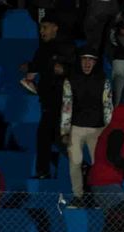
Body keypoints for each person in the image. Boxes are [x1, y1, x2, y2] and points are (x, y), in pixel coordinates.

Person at [22, 16, 75, 179]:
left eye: (45, 27)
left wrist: (64, 70)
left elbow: (77, 69)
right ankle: (45, 171)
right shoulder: (43, 48)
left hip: (62, 100)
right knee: (48, 136)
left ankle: (46, 171)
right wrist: (28, 68)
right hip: (47, 99)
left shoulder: (67, 46)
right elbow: (37, 66)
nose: (41, 31)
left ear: (55, 27)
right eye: (40, 28)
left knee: (50, 136)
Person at [61, 49, 113, 207]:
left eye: (91, 59)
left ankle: (98, 197)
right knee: (75, 163)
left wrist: (108, 130)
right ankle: (78, 196)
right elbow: (67, 106)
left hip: (97, 130)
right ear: (80, 60)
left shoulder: (104, 80)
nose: (87, 63)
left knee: (98, 165)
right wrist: (65, 131)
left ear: (95, 62)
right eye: (84, 59)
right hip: (75, 128)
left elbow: (108, 106)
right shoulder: (70, 80)